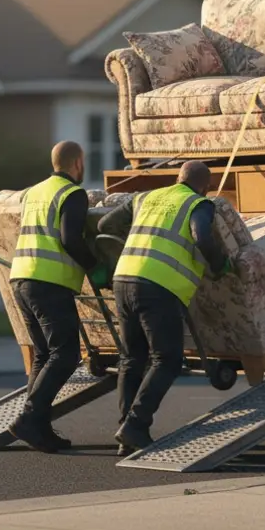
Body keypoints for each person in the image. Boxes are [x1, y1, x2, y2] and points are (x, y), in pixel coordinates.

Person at [98, 160, 231, 454]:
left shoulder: (147, 196)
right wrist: (220, 265)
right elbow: (202, 237)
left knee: (133, 359)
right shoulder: (199, 203)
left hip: (123, 278)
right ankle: (134, 424)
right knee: (167, 360)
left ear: (177, 178)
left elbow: (104, 225)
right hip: (158, 286)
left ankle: (127, 433)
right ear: (205, 186)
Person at [7, 141, 110, 453]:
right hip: (49, 283)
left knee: (43, 355)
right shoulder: (72, 194)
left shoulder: (33, 192)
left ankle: (38, 428)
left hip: (21, 278)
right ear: (77, 163)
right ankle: (29, 418)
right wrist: (96, 267)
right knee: (65, 354)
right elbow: (69, 239)